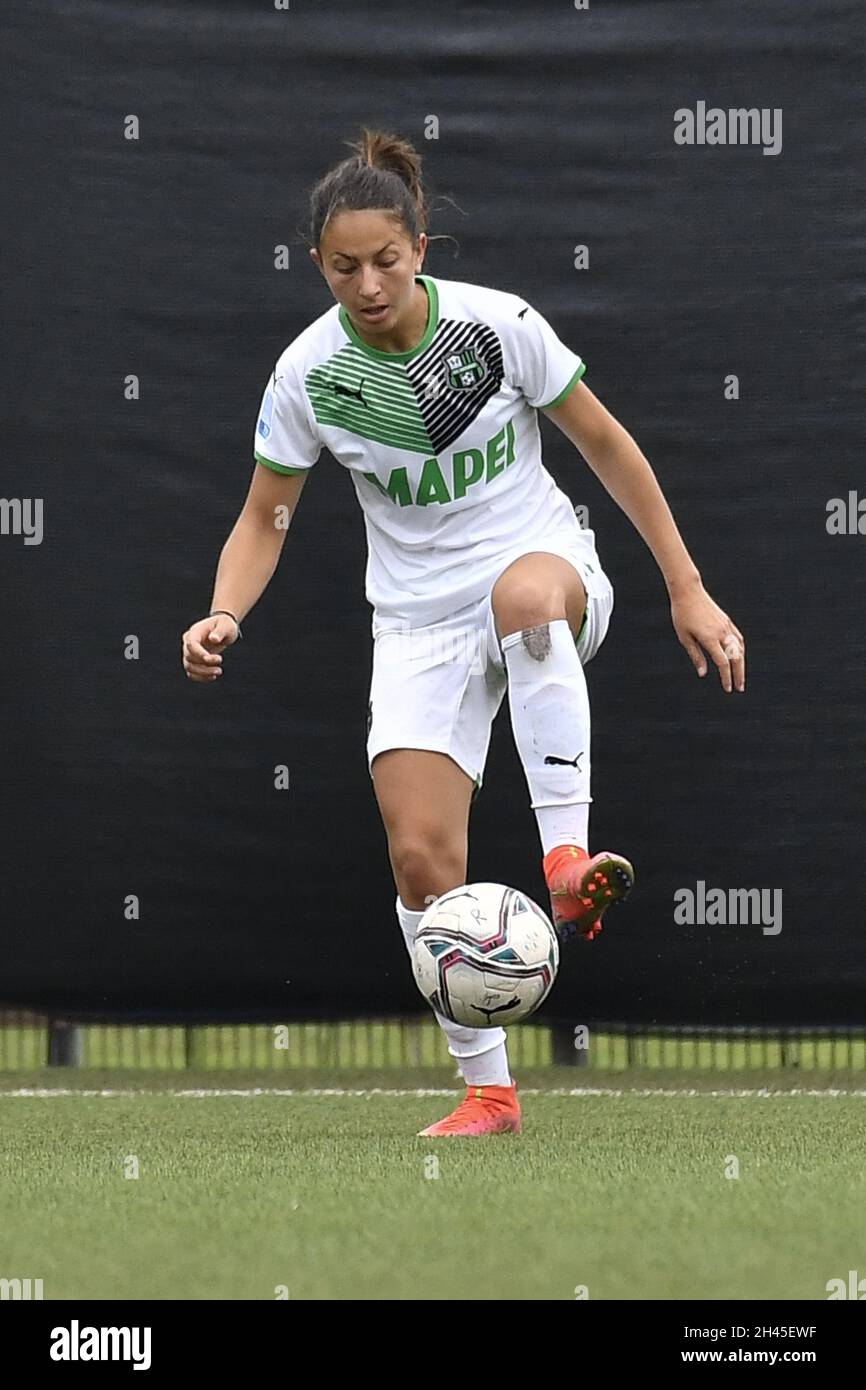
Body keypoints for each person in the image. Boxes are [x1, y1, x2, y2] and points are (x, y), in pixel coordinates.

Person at [182, 128, 746, 1138]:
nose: (366, 283)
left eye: (385, 261)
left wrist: (685, 586)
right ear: (318, 265)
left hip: (539, 567)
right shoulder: (308, 374)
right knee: (417, 861)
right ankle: (489, 1089)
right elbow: (263, 516)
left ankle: (566, 863)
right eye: (343, 266)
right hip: (414, 623)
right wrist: (225, 610)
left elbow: (609, 449)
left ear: (420, 247)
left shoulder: (500, 327)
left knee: (526, 601)